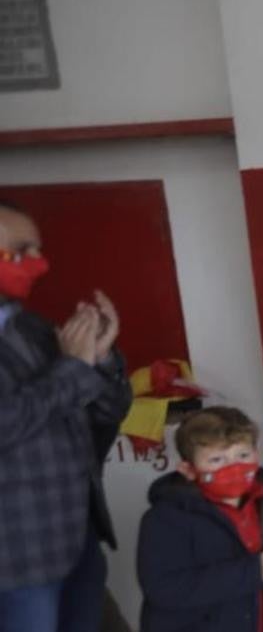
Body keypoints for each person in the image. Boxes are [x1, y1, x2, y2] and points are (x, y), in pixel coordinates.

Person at [0, 202, 132, 632]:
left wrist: (104, 359)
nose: (39, 264)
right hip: (18, 558)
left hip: (75, 538)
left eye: (39, 250)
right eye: (21, 252)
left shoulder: (33, 329)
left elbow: (101, 416)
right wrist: (74, 369)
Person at [136, 406, 263, 632]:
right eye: (217, 459)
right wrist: (257, 572)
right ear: (188, 469)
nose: (234, 466)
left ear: (256, 454)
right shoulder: (165, 518)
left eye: (243, 455)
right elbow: (164, 589)